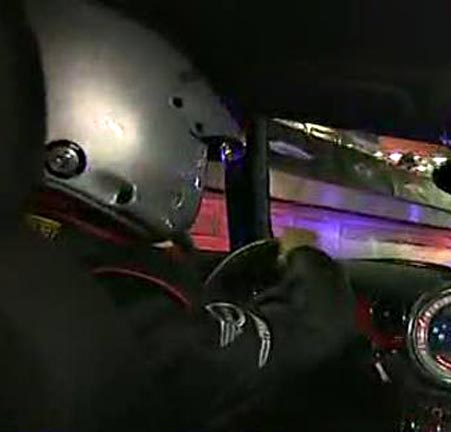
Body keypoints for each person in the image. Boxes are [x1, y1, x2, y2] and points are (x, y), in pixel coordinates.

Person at [23, 0, 358, 430]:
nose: (195, 164)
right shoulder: (116, 299)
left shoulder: (42, 255)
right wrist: (313, 277)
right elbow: (284, 343)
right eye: (193, 142)